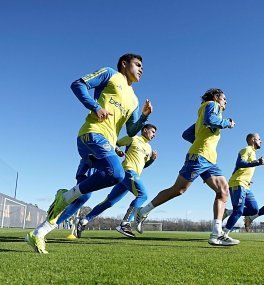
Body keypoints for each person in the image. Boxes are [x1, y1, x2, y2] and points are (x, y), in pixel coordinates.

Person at [26, 53, 153, 254]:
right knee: (117, 174)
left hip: (105, 146)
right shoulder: (111, 74)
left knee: (85, 195)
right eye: (138, 65)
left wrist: (144, 117)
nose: (141, 69)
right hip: (92, 134)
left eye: (142, 67)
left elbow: (130, 131)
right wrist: (95, 107)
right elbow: (78, 84)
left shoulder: (135, 100)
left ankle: (39, 232)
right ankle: (65, 196)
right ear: (124, 64)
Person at [134, 88, 239, 246]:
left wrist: (200, 140)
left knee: (223, 190)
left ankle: (217, 234)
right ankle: (142, 212)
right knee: (178, 189)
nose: (226, 102)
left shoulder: (202, 115)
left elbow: (187, 134)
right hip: (199, 157)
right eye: (224, 99)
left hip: (209, 159)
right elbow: (211, 120)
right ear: (216, 97)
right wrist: (228, 123)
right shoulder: (212, 105)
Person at [76, 123, 158, 238]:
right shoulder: (132, 138)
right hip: (128, 171)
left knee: (109, 202)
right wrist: (118, 150)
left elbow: (144, 165)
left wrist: (152, 160)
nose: (154, 135)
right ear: (145, 130)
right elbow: (114, 142)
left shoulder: (149, 148)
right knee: (142, 195)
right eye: (153, 132)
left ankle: (84, 220)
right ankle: (125, 224)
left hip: (132, 177)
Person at [222, 133, 264, 238]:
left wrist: (248, 180)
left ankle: (228, 212)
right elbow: (240, 163)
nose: (261, 141)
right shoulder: (246, 149)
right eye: (259, 139)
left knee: (254, 210)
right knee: (239, 210)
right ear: (253, 139)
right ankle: (224, 234)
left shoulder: (253, 153)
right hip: (238, 183)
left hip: (245, 185)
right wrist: (257, 163)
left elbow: (239, 169)